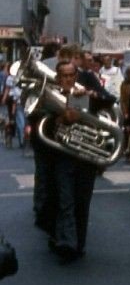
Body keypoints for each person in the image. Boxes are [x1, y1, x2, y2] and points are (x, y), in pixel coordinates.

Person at [45, 60, 101, 263]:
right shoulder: (51, 95)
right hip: (62, 157)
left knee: (82, 204)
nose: (68, 79)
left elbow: (109, 101)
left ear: (75, 76)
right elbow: (39, 119)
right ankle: (66, 244)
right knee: (65, 201)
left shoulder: (84, 91)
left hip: (85, 158)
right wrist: (57, 121)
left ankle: (78, 244)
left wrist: (93, 95)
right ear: (58, 77)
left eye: (71, 75)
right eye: (64, 75)